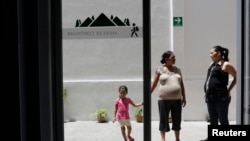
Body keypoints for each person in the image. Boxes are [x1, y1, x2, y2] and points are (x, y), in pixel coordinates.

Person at [200, 45, 237, 141]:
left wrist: (229, 90)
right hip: (210, 97)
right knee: (213, 120)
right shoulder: (212, 65)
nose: (210, 55)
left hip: (221, 97)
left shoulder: (226, 64)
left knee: (223, 120)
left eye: (212, 52)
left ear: (219, 53)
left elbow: (237, 77)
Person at [151, 51, 187, 141]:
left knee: (177, 120)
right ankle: (163, 139)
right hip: (163, 100)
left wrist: (184, 97)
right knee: (163, 120)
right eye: (173, 57)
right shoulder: (159, 70)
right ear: (166, 59)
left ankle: (177, 139)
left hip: (177, 100)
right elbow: (153, 85)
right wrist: (146, 97)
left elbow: (181, 84)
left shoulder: (177, 69)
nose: (175, 59)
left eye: (175, 57)